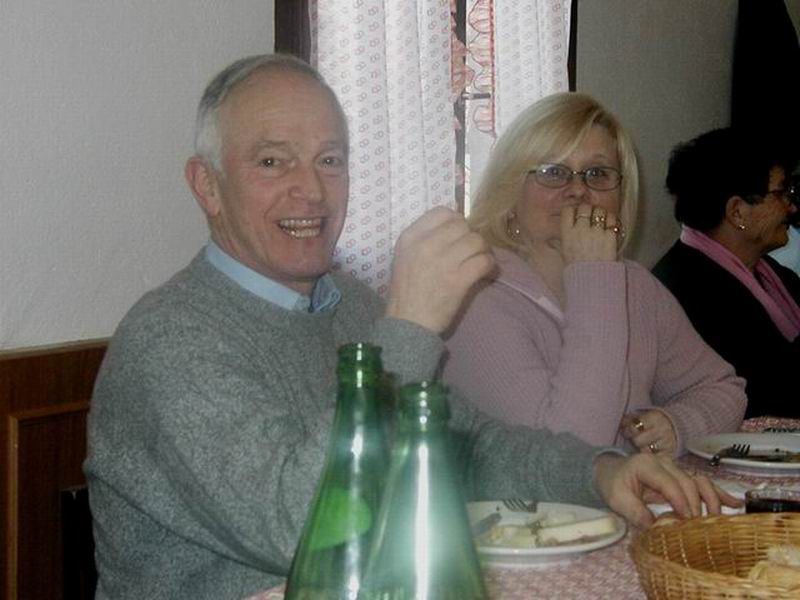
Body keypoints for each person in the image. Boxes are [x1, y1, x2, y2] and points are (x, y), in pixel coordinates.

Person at [84, 56, 736, 600]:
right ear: (207, 185)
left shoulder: (348, 305)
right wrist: (410, 322)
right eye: (273, 162)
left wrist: (597, 472)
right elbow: (303, 530)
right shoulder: (169, 341)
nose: (311, 191)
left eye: (330, 160)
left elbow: (472, 445)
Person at [442, 93, 746, 457]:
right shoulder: (475, 295)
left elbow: (723, 389)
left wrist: (677, 425)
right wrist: (594, 275)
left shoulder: (635, 285)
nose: (578, 190)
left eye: (598, 174)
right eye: (553, 172)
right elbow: (569, 455)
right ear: (510, 191)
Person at [652, 127, 800, 418]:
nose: (791, 207)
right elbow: (764, 393)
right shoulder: (686, 291)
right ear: (737, 211)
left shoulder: (768, 272)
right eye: (780, 193)